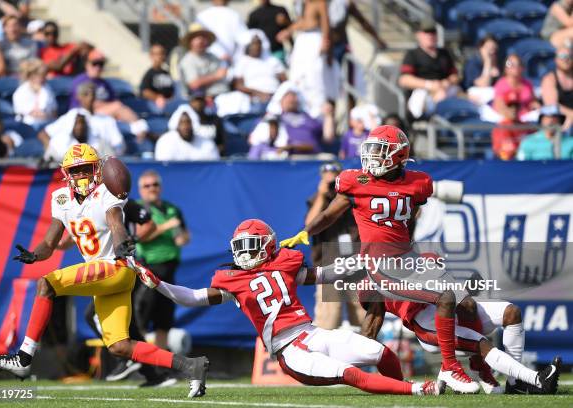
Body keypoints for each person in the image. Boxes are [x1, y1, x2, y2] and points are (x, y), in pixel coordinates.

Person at [0, 143, 209, 398]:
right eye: (76, 170)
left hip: (114, 267)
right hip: (105, 277)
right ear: (66, 173)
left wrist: (123, 242)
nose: (81, 175)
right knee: (120, 346)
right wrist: (36, 255)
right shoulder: (60, 198)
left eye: (85, 169)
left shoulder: (107, 194)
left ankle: (24, 358)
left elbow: (116, 223)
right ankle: (191, 366)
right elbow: (50, 242)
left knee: (46, 284)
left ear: (97, 170)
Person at [137, 218, 442, 396]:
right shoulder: (234, 281)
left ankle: (400, 393)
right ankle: (416, 390)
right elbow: (191, 297)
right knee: (347, 373)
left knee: (380, 352)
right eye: (240, 248)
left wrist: (359, 261)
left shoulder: (284, 263)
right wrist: (159, 285)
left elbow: (323, 275)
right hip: (289, 351)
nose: (245, 254)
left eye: (251, 246)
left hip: (310, 333)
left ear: (267, 246)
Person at [280, 125, 482, 394]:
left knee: (384, 311)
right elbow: (329, 215)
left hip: (399, 259)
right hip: (369, 263)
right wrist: (307, 231)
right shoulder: (355, 181)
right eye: (372, 149)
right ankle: (348, 373)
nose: (373, 156)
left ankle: (474, 366)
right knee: (369, 311)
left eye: (380, 150)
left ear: (398, 156)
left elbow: (411, 215)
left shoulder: (417, 183)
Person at [362, 295, 561, 395]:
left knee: (512, 312)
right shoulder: (376, 272)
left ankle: (515, 383)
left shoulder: (417, 252)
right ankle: (536, 379)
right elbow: (372, 322)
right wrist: (356, 355)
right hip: (428, 324)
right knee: (481, 344)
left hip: (453, 307)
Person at [81, 199, 177, 387]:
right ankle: (155, 374)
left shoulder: (120, 200)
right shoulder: (86, 203)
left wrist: (130, 240)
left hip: (120, 268)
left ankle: (124, 359)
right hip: (103, 268)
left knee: (94, 315)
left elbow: (148, 224)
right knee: (128, 325)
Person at [133, 170, 189, 351]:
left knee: (163, 320)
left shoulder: (172, 209)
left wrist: (182, 238)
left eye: (155, 185)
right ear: (140, 190)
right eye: (147, 186)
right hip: (148, 269)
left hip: (169, 269)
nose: (152, 189)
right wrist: (165, 226)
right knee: (141, 316)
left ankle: (161, 364)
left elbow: (183, 235)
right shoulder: (138, 209)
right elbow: (138, 237)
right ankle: (138, 362)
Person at [306, 162, 365, 330]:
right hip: (329, 265)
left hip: (356, 264)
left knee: (364, 316)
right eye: (326, 172)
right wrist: (323, 194)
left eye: (334, 172)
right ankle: (325, 355)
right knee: (328, 320)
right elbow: (309, 224)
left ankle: (366, 353)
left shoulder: (353, 197)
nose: (330, 176)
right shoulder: (317, 199)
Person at [277, 0, 338, 119]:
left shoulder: (320, 3)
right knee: (297, 77)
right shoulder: (304, 3)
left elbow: (326, 23)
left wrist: (325, 41)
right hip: (303, 40)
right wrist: (288, 31)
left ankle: (319, 116)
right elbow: (302, 21)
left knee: (314, 78)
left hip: (315, 40)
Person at [69, 50, 148, 140]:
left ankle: (138, 129)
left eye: (101, 64)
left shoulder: (105, 83)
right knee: (117, 107)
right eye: (95, 63)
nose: (98, 67)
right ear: (87, 64)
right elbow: (86, 104)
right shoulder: (80, 81)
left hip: (105, 118)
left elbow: (114, 102)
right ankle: (139, 126)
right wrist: (109, 107)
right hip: (83, 116)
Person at [39, 82, 125, 162]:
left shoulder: (107, 120)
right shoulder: (72, 116)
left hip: (100, 162)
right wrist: (50, 151)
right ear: (79, 96)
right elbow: (44, 134)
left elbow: (118, 145)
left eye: (93, 94)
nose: (90, 97)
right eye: (86, 94)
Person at [399, 18, 460, 119]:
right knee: (440, 95)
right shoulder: (413, 54)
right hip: (421, 92)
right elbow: (404, 80)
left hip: (444, 88)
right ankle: (436, 121)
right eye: (426, 32)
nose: (430, 36)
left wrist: (446, 82)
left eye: (433, 32)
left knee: (466, 95)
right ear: (418, 35)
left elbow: (455, 76)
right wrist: (429, 85)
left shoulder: (444, 53)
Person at [178, 23, 229, 100]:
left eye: (203, 37)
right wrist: (216, 76)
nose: (201, 41)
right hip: (202, 100)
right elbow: (193, 84)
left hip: (223, 95)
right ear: (190, 41)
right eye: (197, 38)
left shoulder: (213, 56)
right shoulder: (187, 60)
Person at [154, 105, 220, 161]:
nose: (185, 127)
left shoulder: (207, 143)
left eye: (188, 122)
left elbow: (213, 168)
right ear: (176, 125)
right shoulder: (165, 142)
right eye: (181, 123)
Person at [493, 54, 539, 123]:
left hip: (527, 119)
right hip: (509, 121)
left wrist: (535, 106)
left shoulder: (528, 84)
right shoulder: (501, 84)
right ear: (505, 68)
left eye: (518, 64)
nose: (515, 67)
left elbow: (533, 101)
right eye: (510, 64)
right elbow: (499, 106)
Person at [12, 58, 57, 127]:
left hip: (47, 124)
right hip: (27, 126)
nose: (45, 78)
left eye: (45, 75)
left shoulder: (47, 89)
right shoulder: (20, 92)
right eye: (42, 76)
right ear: (31, 76)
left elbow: (54, 112)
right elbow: (33, 113)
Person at [463, 35, 500, 109]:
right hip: (474, 92)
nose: (492, 52)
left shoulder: (498, 62)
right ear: (481, 48)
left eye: (494, 48)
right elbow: (484, 84)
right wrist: (488, 61)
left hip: (491, 91)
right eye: (488, 48)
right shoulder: (473, 63)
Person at [541, 46, 573, 128]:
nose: (566, 59)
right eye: (562, 56)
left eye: (569, 56)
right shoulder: (550, 79)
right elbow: (552, 106)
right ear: (556, 60)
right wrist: (571, 114)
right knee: (549, 119)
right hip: (559, 122)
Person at [140, 43, 175, 115]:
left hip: (168, 103)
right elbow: (145, 92)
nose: (160, 57)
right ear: (151, 56)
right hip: (154, 103)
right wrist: (157, 97)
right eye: (157, 54)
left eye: (162, 54)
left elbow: (171, 90)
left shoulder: (166, 73)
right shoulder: (150, 74)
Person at [491, 92, 528, 160]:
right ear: (504, 108)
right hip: (508, 163)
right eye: (510, 107)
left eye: (516, 107)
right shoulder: (501, 127)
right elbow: (505, 153)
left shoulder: (526, 126)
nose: (514, 110)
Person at [188, 89, 225, 154]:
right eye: (195, 101)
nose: (198, 103)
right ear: (190, 103)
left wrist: (213, 153)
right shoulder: (186, 122)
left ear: (205, 102)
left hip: (211, 158)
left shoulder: (215, 120)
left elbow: (221, 143)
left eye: (201, 100)